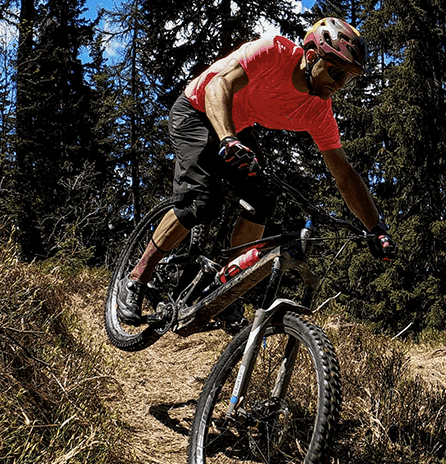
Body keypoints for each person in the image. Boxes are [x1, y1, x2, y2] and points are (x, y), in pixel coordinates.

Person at [116, 17, 397, 325]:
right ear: (312, 56)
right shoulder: (272, 52)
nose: (341, 84)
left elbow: (344, 174)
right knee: (201, 201)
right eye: (337, 71)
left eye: (349, 77)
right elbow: (218, 85)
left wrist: (376, 228)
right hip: (197, 110)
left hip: (236, 127)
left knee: (262, 201)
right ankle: (136, 278)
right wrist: (227, 139)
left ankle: (225, 288)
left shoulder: (318, 111)